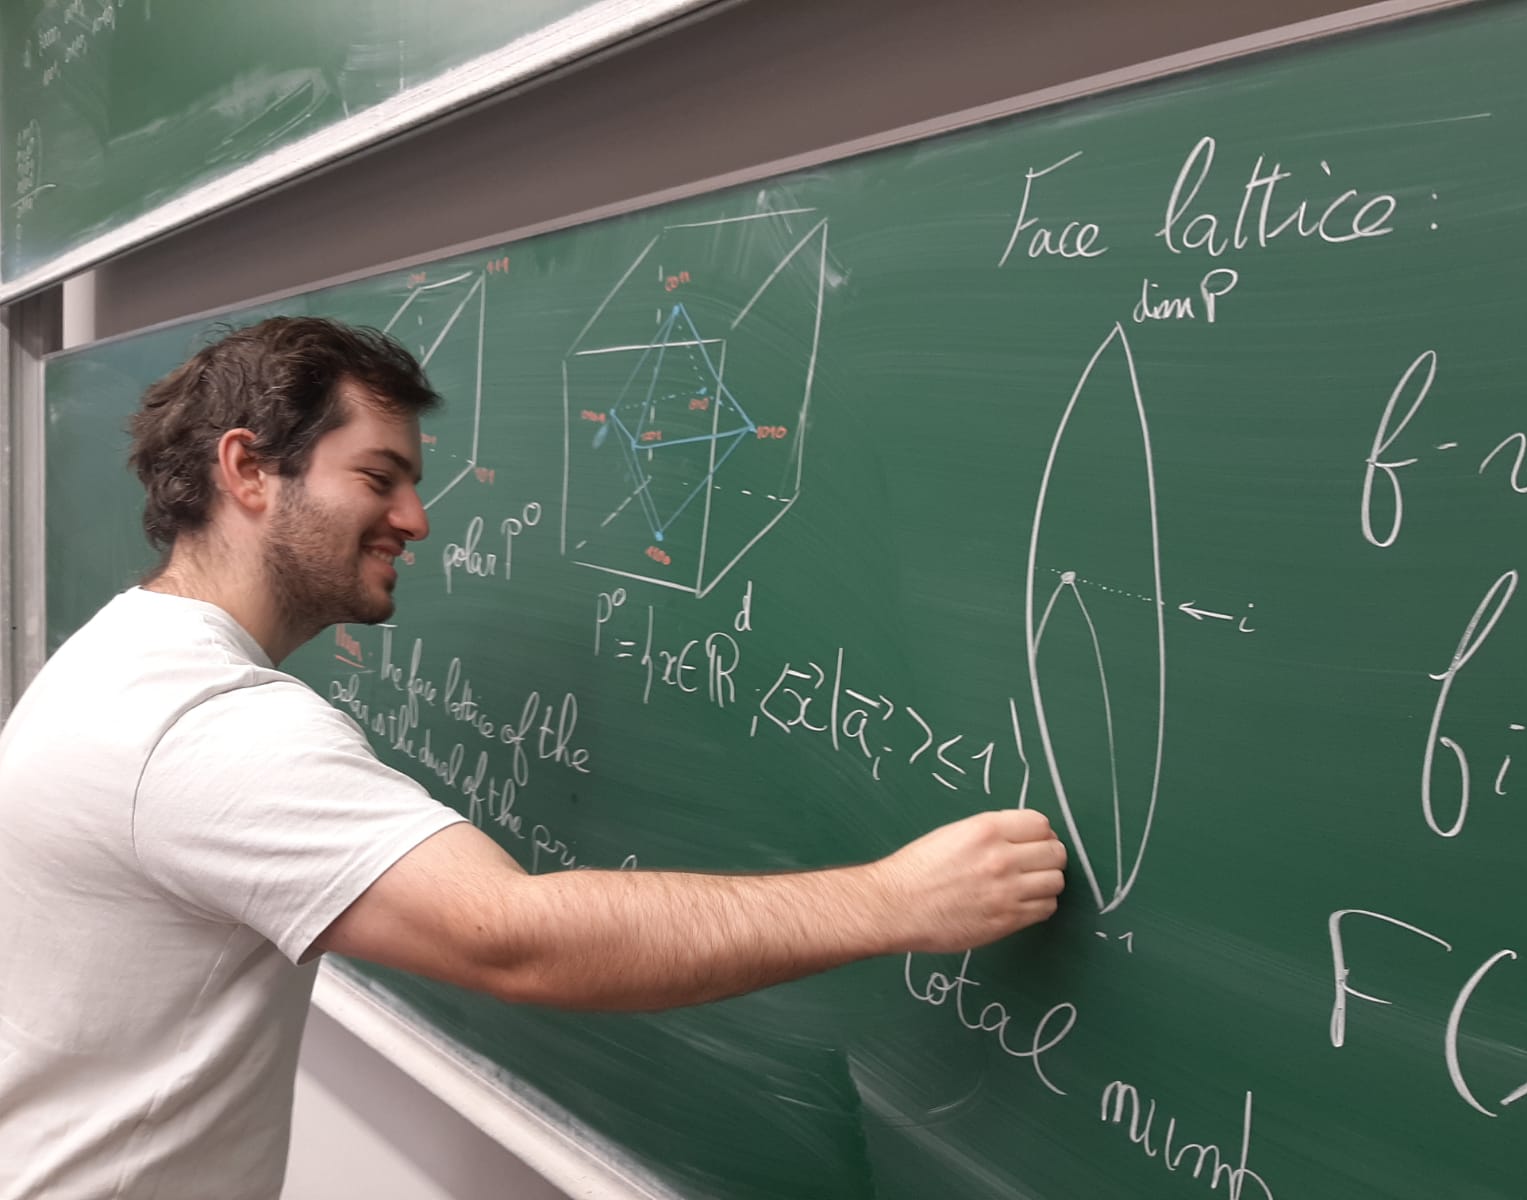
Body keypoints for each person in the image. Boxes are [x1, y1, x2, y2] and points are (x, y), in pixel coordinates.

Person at [0, 317, 1066, 1199]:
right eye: (378, 476)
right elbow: (513, 939)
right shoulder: (201, 724)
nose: (415, 519)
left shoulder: (123, 654)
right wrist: (894, 901)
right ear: (247, 469)